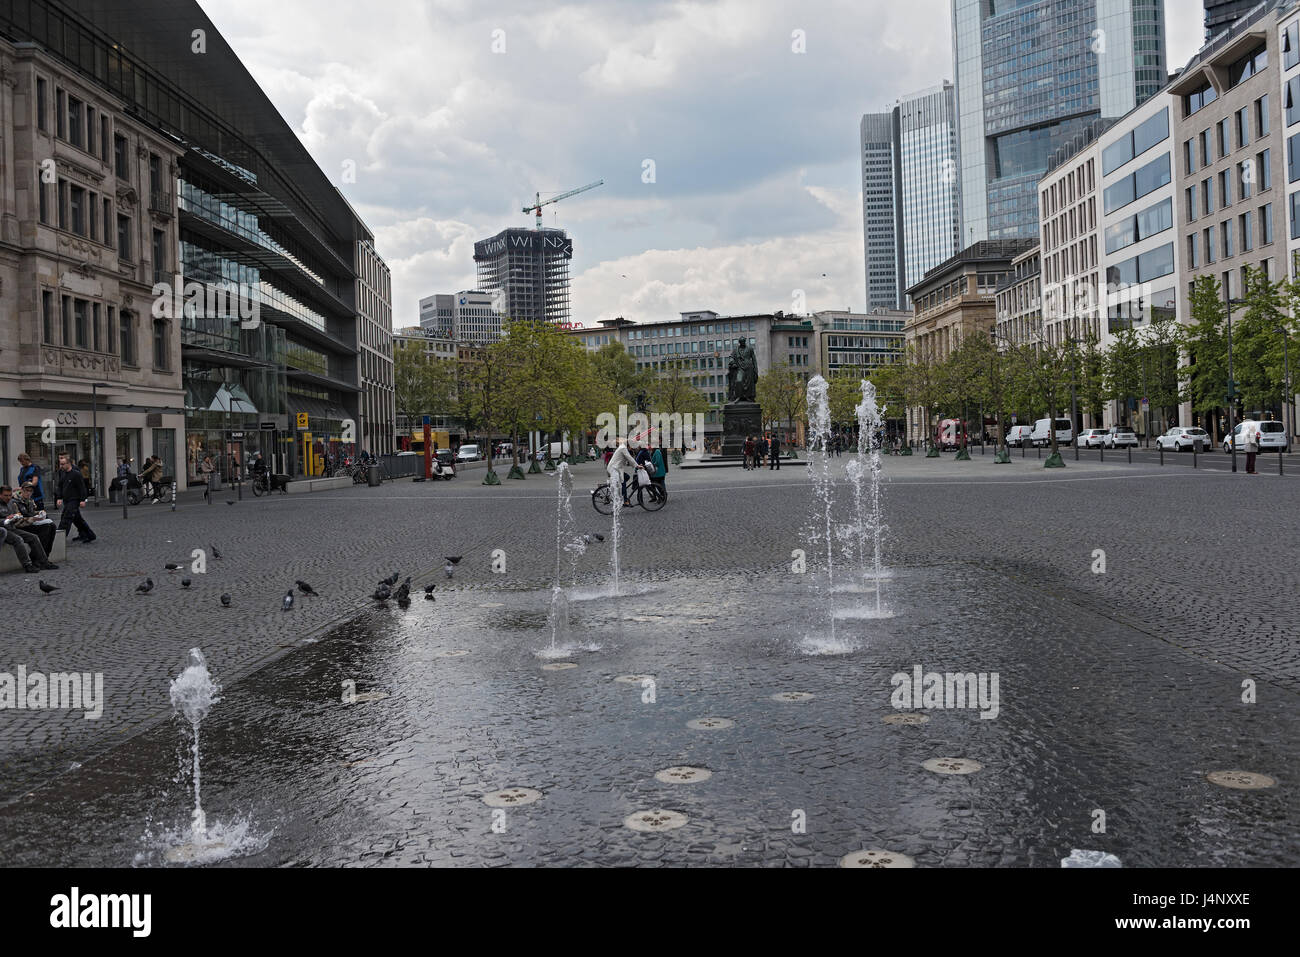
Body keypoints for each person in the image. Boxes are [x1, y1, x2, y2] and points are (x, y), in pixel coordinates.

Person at [0, 485, 57, 571]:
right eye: (5, 495)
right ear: (0, 495)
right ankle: (27, 565)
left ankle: (44, 562)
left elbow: (18, 516)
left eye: (9, 495)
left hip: (13, 527)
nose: (8, 497)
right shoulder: (13, 502)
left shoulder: (11, 503)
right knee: (18, 539)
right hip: (3, 530)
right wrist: (6, 519)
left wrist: (16, 516)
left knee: (34, 537)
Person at [54, 454, 96, 544]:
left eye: (63, 464)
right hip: (67, 500)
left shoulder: (76, 474)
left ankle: (59, 539)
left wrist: (82, 500)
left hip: (74, 500)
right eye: (60, 464)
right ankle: (89, 535)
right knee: (77, 519)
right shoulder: (63, 474)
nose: (61, 466)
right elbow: (60, 486)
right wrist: (59, 497)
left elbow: (82, 487)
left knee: (66, 518)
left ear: (68, 463)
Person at [607, 438, 640, 505]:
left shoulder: (623, 447)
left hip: (616, 468)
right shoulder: (623, 448)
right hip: (614, 469)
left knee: (626, 477)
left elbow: (628, 459)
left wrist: (634, 465)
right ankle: (624, 500)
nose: (632, 448)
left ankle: (620, 491)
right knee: (623, 482)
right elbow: (629, 458)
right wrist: (637, 466)